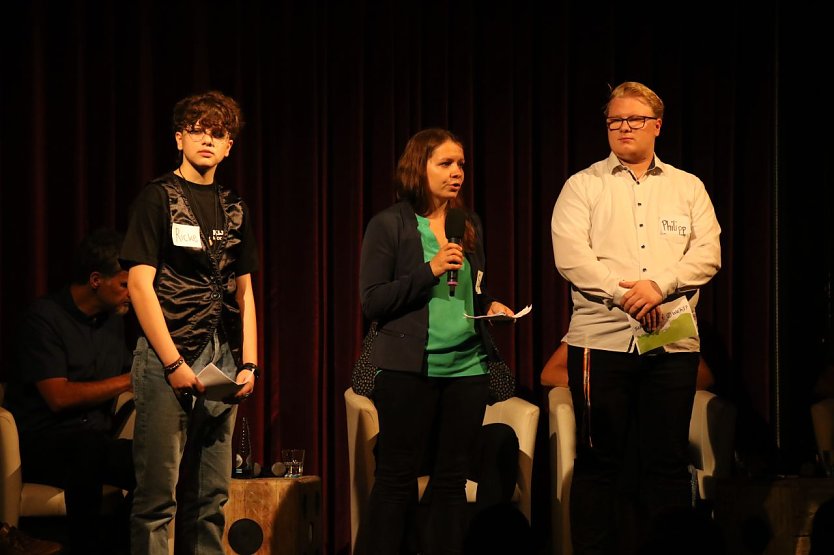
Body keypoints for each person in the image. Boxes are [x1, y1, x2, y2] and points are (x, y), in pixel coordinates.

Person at [550, 81, 722, 555]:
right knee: (597, 464)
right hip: (601, 342)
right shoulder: (583, 185)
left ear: (657, 126)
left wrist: (659, 288)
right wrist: (624, 294)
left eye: (635, 120)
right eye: (615, 121)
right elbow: (571, 257)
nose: (624, 127)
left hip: (672, 343)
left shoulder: (688, 187)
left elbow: (708, 255)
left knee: (666, 465)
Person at [357, 128, 515, 555]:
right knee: (395, 480)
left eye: (461, 164)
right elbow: (373, 300)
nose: (456, 172)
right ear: (418, 168)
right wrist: (428, 270)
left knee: (451, 481)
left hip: (468, 370)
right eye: (445, 164)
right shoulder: (389, 225)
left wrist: (493, 305)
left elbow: (474, 287)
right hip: (409, 368)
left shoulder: (468, 223)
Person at [121, 90, 259, 554]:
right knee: (158, 497)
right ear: (180, 137)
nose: (207, 139)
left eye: (218, 133)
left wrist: (251, 363)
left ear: (228, 147)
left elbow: (245, 291)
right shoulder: (157, 198)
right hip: (169, 352)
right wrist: (172, 362)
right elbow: (140, 286)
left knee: (211, 496)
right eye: (197, 129)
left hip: (220, 355)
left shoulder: (234, 206)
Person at [2, 228, 136, 555]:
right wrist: (131, 380)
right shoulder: (44, 319)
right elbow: (58, 397)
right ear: (95, 280)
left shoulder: (113, 320)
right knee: (86, 449)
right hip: (42, 445)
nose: (131, 293)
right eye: (123, 284)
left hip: (96, 442)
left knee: (157, 458)